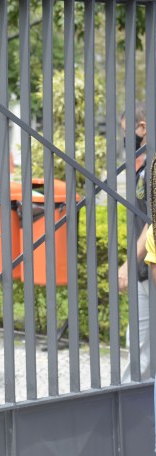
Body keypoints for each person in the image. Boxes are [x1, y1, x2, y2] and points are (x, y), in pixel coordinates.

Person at [118, 103, 151, 382]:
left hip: (147, 266)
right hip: (144, 269)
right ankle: (134, 413)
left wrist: (129, 264)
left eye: (129, 133)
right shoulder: (144, 167)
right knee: (138, 345)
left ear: (143, 128)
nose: (128, 140)